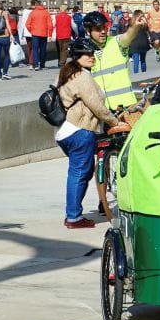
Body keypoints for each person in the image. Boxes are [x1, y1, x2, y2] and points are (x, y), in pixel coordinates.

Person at [55, 38, 124, 229]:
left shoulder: (66, 73)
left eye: (93, 53)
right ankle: (73, 217)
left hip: (64, 131)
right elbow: (97, 106)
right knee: (79, 172)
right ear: (77, 56)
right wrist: (115, 122)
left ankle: (74, 213)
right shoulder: (82, 76)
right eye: (87, 54)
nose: (92, 57)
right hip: (80, 130)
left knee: (81, 171)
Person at [82, 9, 146, 110]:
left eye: (104, 27)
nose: (103, 31)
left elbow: (128, 36)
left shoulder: (116, 42)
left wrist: (135, 26)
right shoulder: (84, 51)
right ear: (88, 32)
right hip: (101, 110)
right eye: (98, 29)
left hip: (125, 107)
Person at [25, 0, 52, 71]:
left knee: (35, 50)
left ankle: (36, 65)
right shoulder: (46, 12)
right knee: (43, 50)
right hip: (44, 34)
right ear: (42, 5)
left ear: (36, 5)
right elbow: (50, 25)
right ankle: (42, 65)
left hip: (35, 34)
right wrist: (50, 35)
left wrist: (31, 31)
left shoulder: (32, 13)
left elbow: (27, 24)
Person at [129, 9, 151, 74]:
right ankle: (144, 74)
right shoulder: (143, 23)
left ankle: (136, 75)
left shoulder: (132, 22)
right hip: (143, 43)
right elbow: (148, 30)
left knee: (136, 62)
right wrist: (145, 22)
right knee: (143, 60)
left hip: (135, 44)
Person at [20, 1, 34, 67]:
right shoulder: (34, 12)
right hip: (34, 32)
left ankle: (30, 61)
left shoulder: (25, 12)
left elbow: (23, 22)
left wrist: (22, 32)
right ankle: (32, 61)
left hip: (26, 32)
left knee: (29, 47)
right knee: (34, 47)